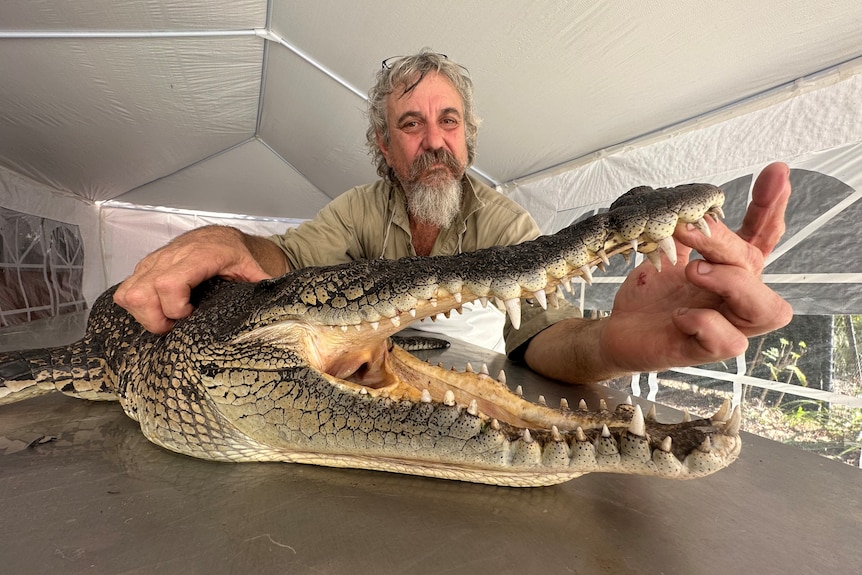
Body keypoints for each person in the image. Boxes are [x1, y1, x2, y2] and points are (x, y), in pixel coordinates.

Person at [113, 50, 793, 385]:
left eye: (448, 121)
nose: (433, 141)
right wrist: (229, 239)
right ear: (385, 147)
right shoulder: (358, 211)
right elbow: (284, 262)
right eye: (410, 125)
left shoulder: (507, 227)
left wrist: (612, 343)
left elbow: (540, 338)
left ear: (468, 138)